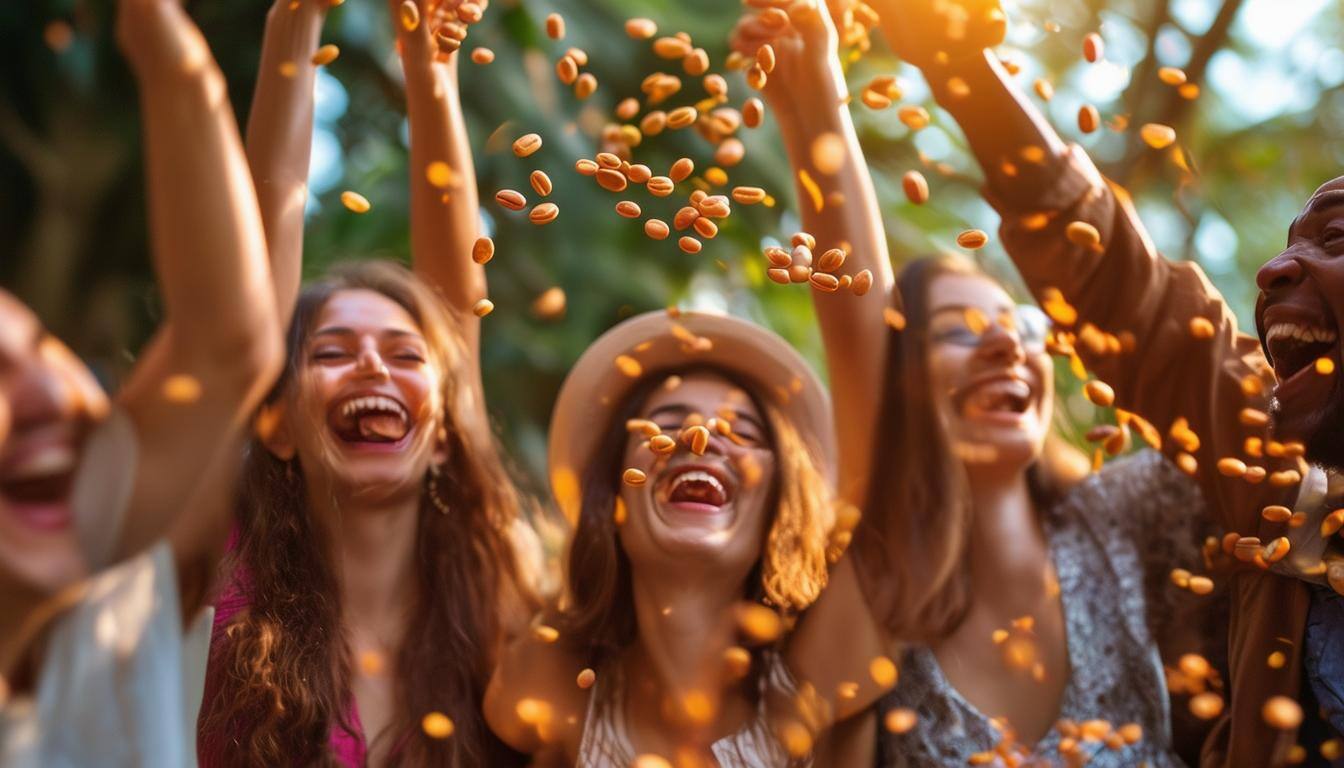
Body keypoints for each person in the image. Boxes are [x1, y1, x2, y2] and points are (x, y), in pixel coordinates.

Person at [736, 3, 1218, 765]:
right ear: (901, 386)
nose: (1006, 343)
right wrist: (815, 90)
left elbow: (1231, 403)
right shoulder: (878, 590)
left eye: (1023, 329)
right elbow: (861, 330)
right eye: (961, 330)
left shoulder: (1127, 516)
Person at [865, 0, 1341, 763]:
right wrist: (962, 72)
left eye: (1337, 238)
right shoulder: (1289, 493)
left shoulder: (1138, 513)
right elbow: (1135, 302)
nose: (1275, 269)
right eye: (956, 331)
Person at [196, 2, 537, 765]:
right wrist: (295, 22)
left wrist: (431, 62)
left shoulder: (504, 622)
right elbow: (252, 287)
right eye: (331, 352)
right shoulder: (227, 586)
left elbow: (457, 308)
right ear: (276, 422)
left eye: (404, 355)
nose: (374, 366)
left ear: (446, 430)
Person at [0, 0, 284, 763]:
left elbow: (232, 345)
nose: (53, 401)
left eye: (46, 359)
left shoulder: (90, 613)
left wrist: (157, 32)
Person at [484, 310, 836, 767]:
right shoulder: (548, 682)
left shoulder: (820, 675)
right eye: (665, 427)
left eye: (743, 432)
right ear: (610, 500)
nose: (700, 436)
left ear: (778, 506)